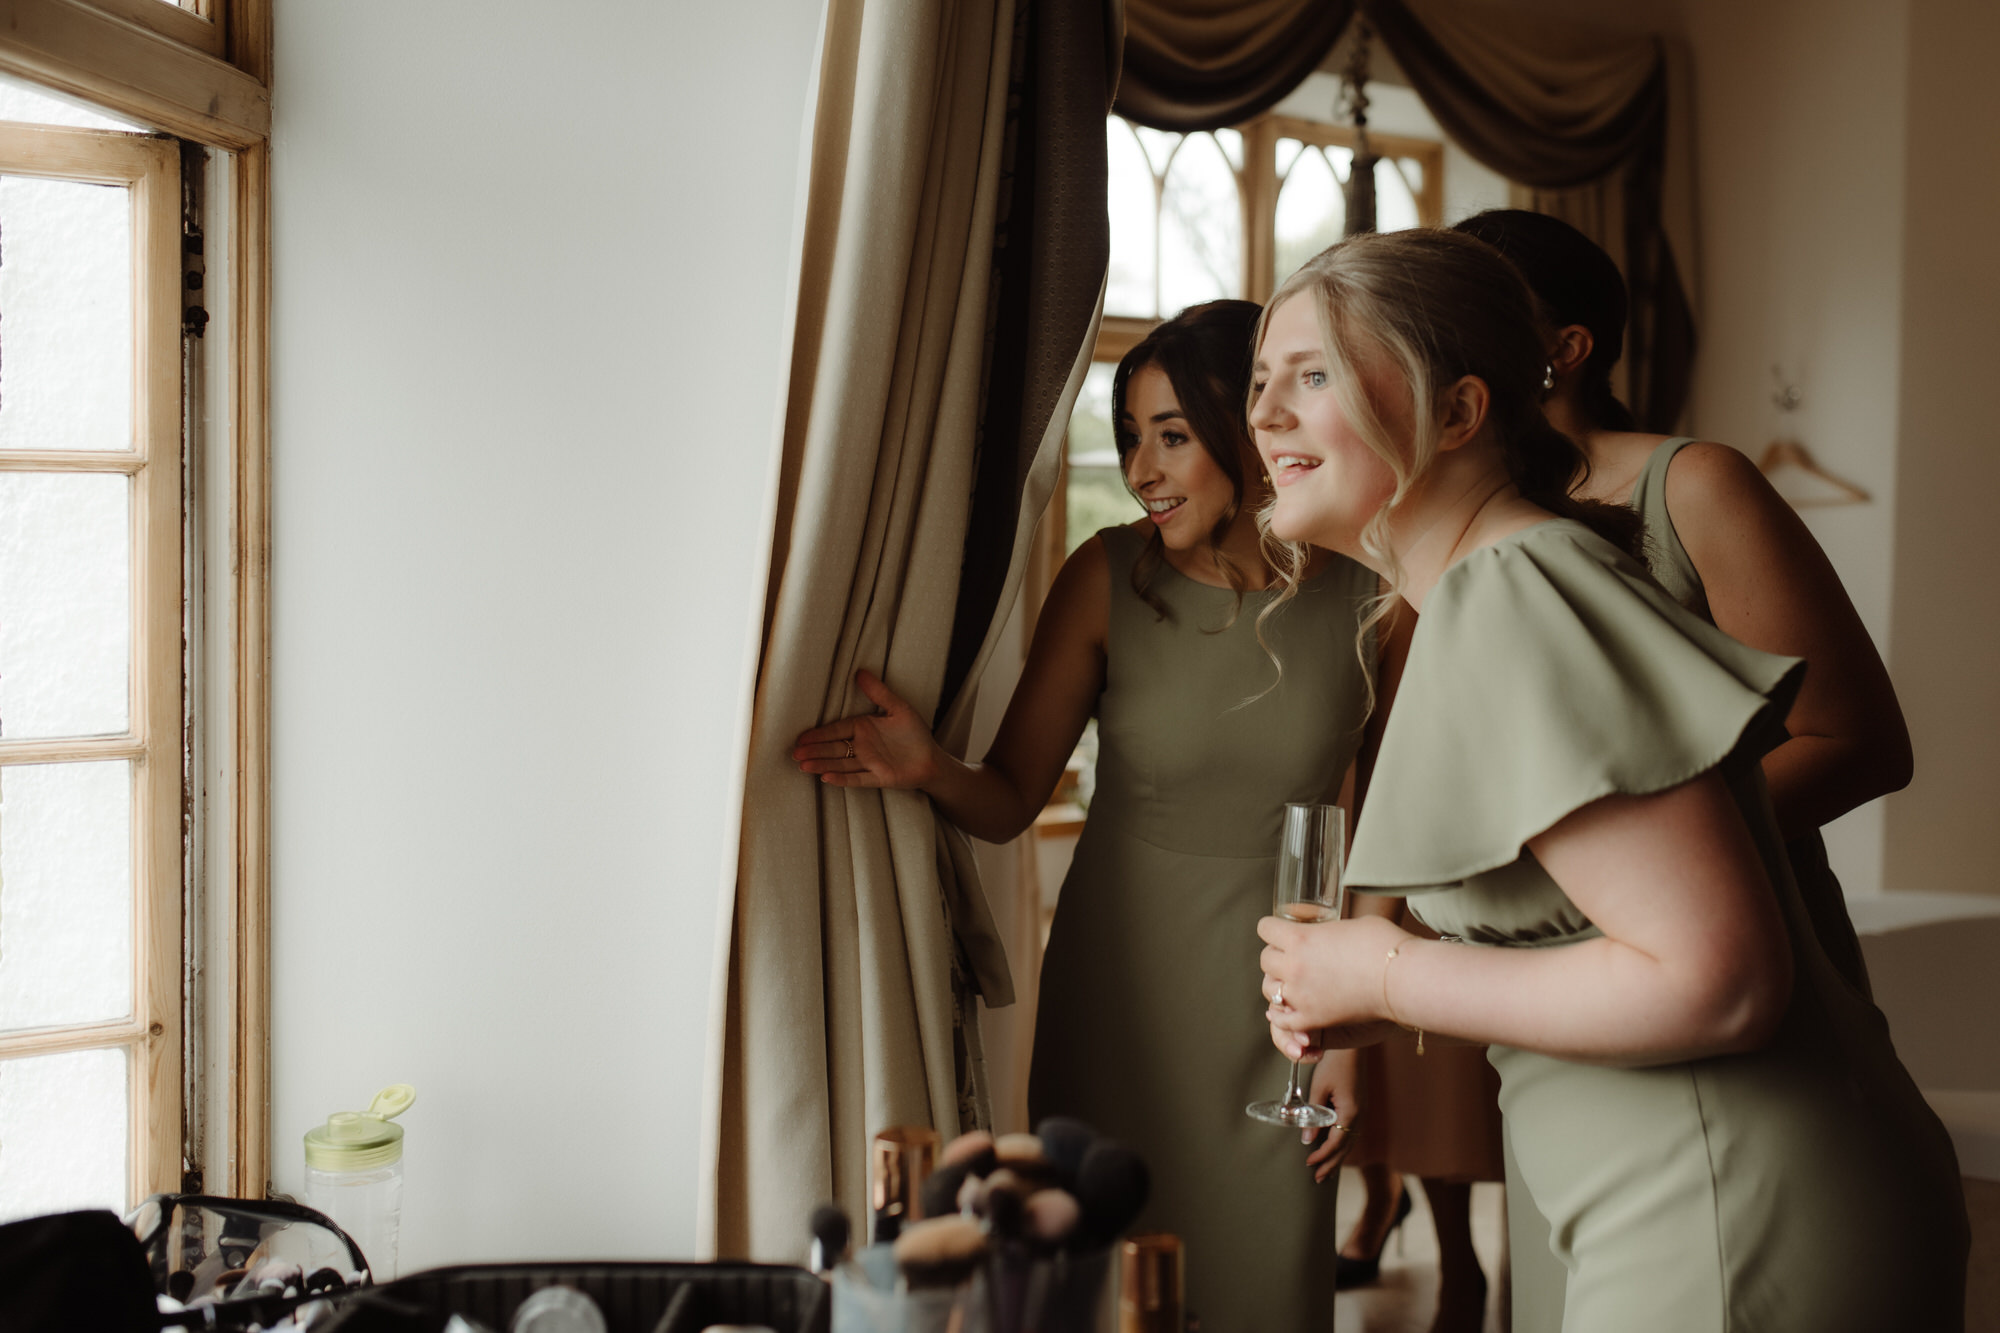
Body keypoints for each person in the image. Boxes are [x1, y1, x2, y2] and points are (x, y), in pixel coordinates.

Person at [1249, 229, 1968, 1332]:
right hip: (1688, 1191)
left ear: (1456, 412)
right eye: (1261, 382)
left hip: (1723, 1203)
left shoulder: (1515, 586)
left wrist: (1385, 973)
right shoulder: (1489, 586)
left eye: (1313, 374)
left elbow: (1716, 979)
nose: (1264, 416)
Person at [792, 300, 1378, 1332]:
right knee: (1094, 1284)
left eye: (1171, 436)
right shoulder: (1103, 578)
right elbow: (1011, 799)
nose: (1141, 469)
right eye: (1128, 439)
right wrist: (927, 765)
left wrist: (1352, 1032)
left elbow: (1385, 825)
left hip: (1285, 1011)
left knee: (1268, 1287)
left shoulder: (1374, 596)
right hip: (1122, 997)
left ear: (1249, 430)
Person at [1451, 207, 1915, 1330]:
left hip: (1727, 958)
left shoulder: (1692, 484)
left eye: (1472, 315)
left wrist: (1640, 863)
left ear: (1565, 349)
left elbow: (1857, 736)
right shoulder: (1460, 516)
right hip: (1555, 1012)